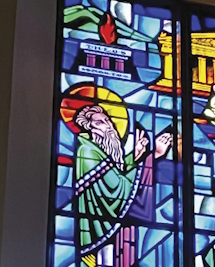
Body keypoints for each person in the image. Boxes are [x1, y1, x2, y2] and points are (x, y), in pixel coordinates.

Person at [73, 104, 170, 252]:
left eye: (107, 120)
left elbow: (115, 172)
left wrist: (135, 155)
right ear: (89, 127)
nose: (108, 125)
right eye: (99, 123)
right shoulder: (87, 151)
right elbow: (117, 187)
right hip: (97, 225)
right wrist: (152, 156)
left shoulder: (97, 150)